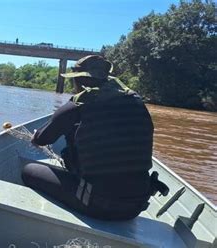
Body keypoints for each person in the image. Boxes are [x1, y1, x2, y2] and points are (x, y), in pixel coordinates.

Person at [21, 55, 166, 221]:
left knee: (29, 171)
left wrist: (36, 136)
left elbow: (41, 139)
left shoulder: (80, 104)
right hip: (137, 205)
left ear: (80, 82)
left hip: (99, 205)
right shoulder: (136, 101)